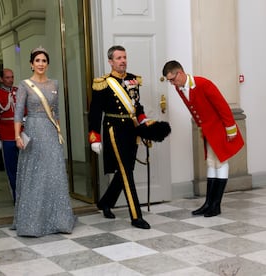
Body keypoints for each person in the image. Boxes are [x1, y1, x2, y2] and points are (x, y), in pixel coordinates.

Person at [88, 45, 170, 230]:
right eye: (118, 58)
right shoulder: (103, 83)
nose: (123, 61)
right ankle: (136, 215)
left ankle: (106, 202)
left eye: (124, 57)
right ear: (110, 61)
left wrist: (145, 125)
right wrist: (95, 138)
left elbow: (136, 108)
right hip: (113, 130)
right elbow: (95, 113)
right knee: (125, 171)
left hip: (131, 130)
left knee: (126, 169)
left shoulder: (133, 80)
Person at [162, 60, 244, 217]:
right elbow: (194, 110)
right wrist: (201, 127)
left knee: (220, 162)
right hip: (208, 129)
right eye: (169, 81)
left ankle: (216, 205)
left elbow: (222, 106)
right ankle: (209, 203)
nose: (172, 84)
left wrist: (230, 128)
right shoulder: (180, 88)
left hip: (220, 128)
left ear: (180, 73)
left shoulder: (204, 84)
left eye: (173, 79)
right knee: (211, 164)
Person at [12, 46, 76, 237]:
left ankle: (59, 220)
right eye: (37, 60)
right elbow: (18, 112)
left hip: (50, 130)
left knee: (55, 173)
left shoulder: (54, 84)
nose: (41, 64)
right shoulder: (24, 85)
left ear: (47, 64)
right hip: (32, 128)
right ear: (31, 64)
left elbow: (55, 111)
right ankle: (33, 221)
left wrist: (59, 132)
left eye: (44, 61)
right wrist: (17, 136)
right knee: (35, 174)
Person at [0, 68, 19, 203]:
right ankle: (16, 198)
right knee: (11, 169)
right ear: (1, 79)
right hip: (7, 137)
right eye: (7, 77)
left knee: (25, 168)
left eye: (12, 77)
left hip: (21, 134)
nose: (10, 80)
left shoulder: (20, 91)